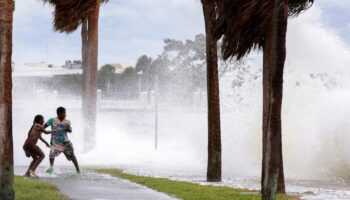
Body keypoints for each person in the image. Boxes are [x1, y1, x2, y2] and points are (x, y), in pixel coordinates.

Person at [44, 107, 81, 174]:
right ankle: (51, 168)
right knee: (51, 155)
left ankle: (78, 171)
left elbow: (70, 131)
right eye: (64, 113)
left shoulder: (67, 122)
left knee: (72, 157)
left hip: (66, 142)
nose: (65, 114)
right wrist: (40, 131)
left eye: (65, 113)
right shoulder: (52, 120)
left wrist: (68, 129)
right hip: (56, 142)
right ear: (59, 114)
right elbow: (44, 126)